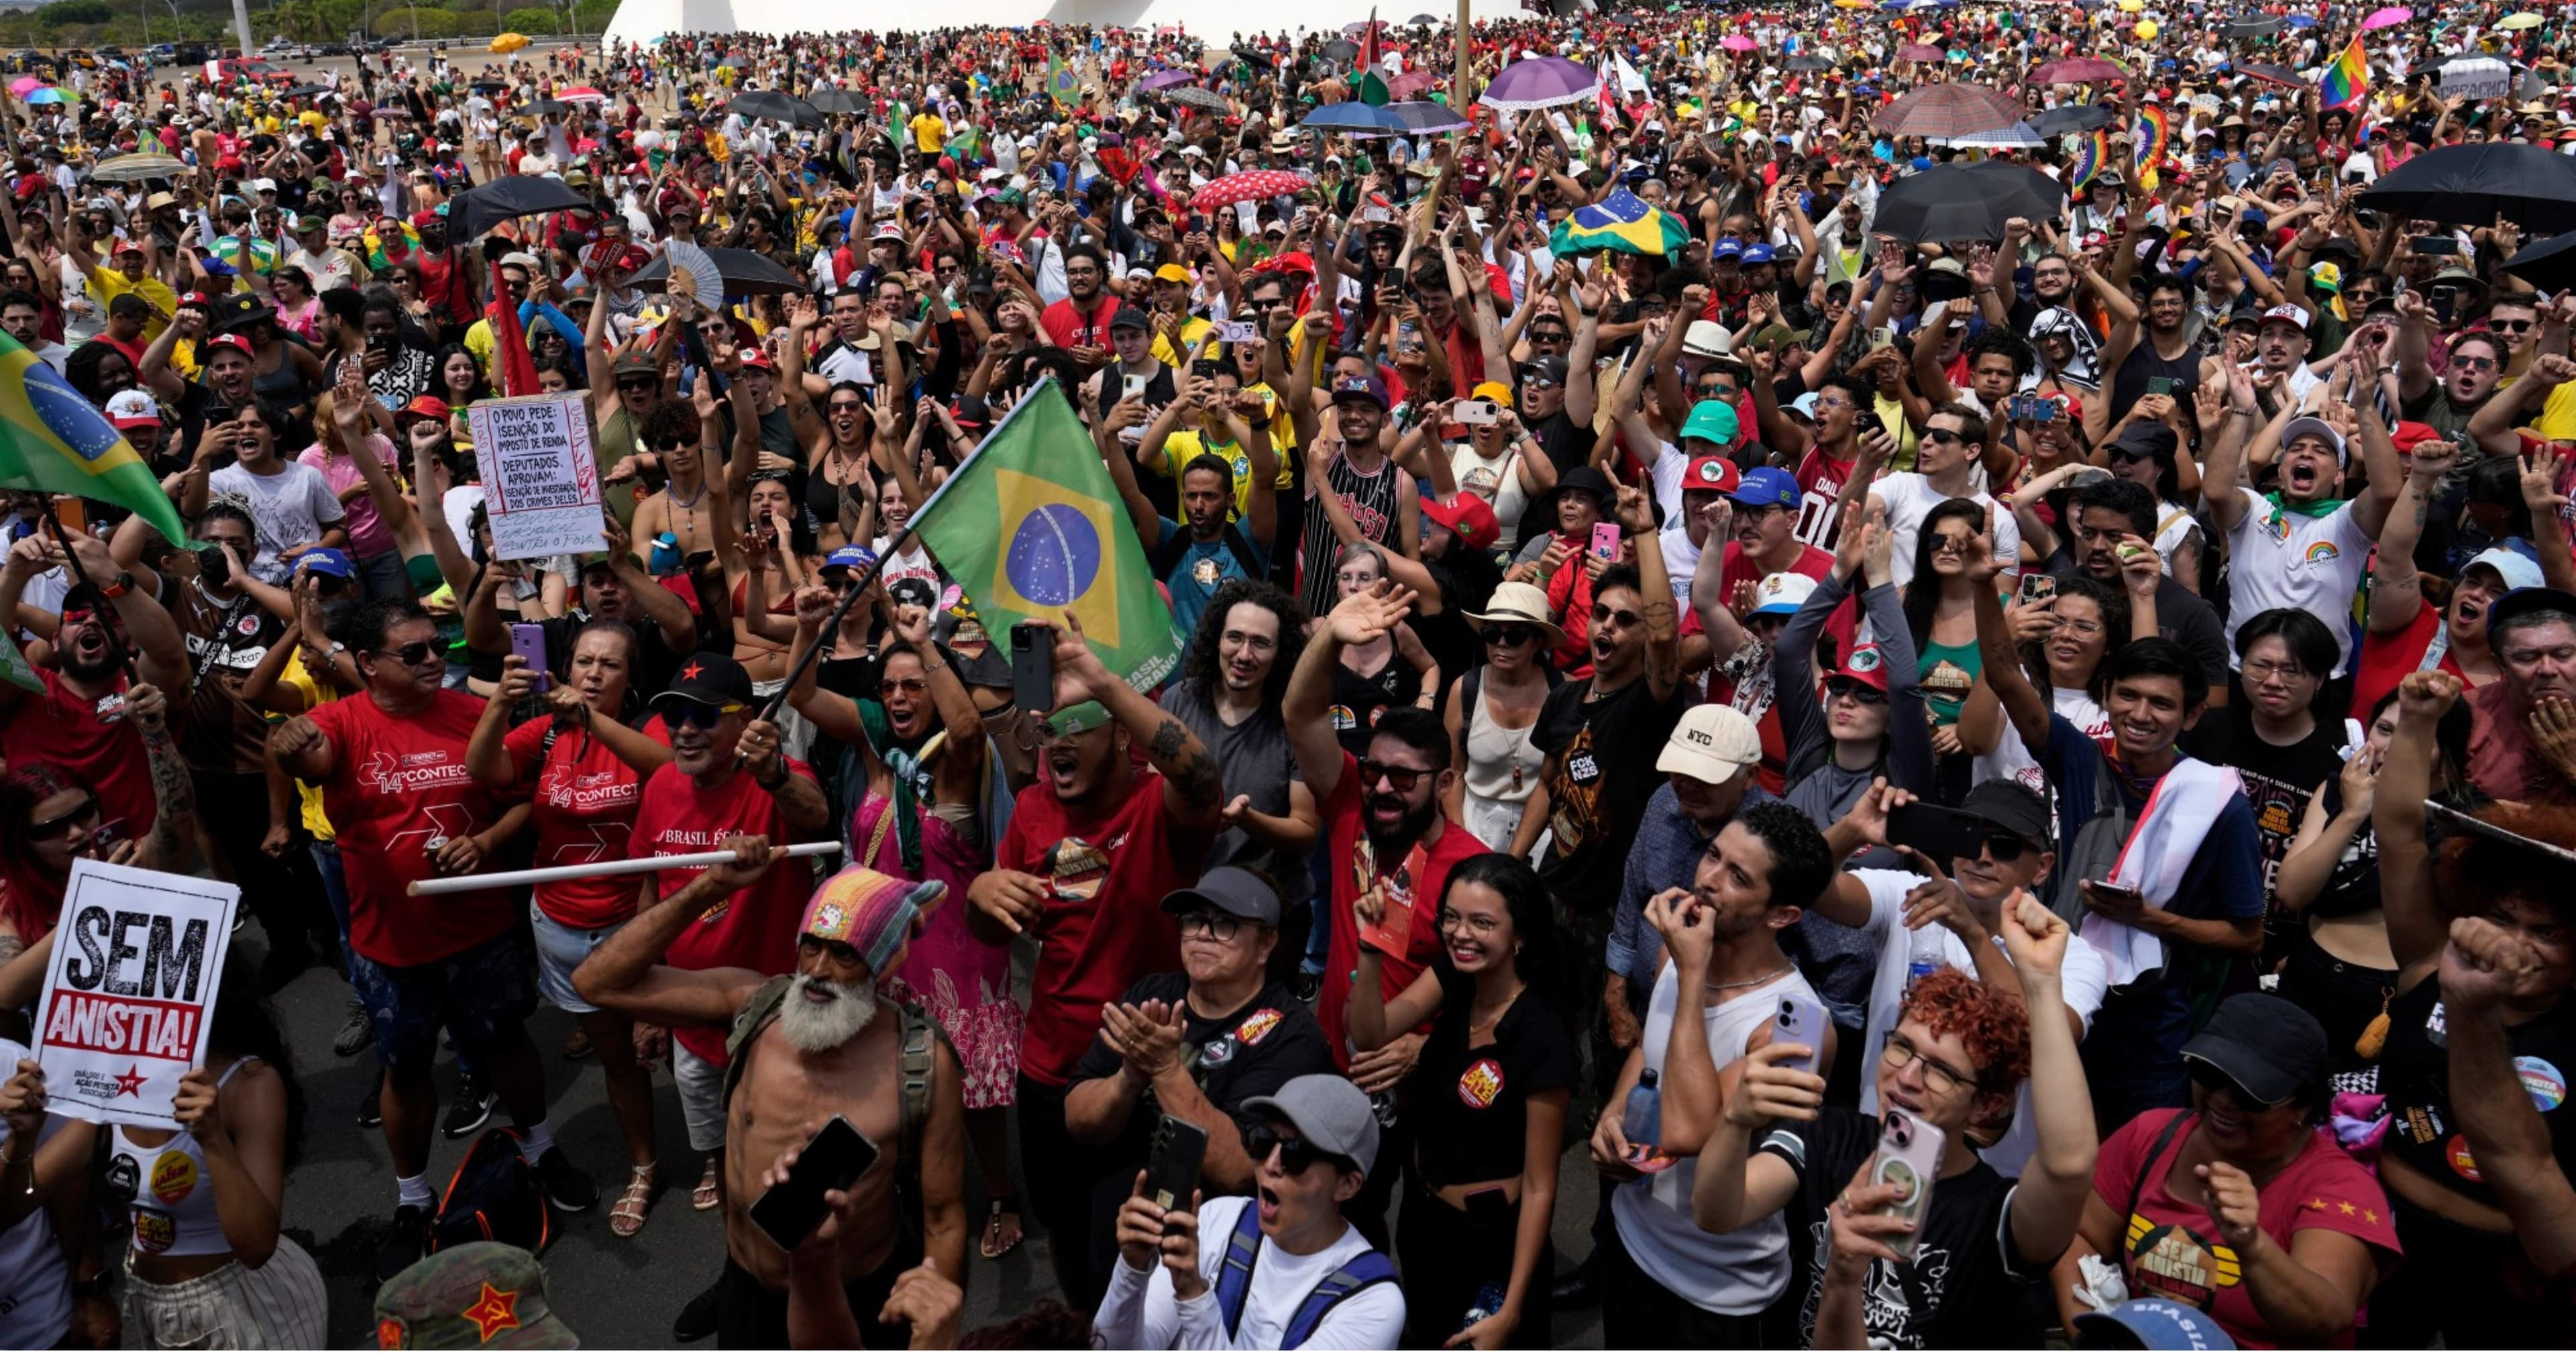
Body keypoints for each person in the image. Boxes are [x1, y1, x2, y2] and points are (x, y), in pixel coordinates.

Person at [270, 600, 592, 1279]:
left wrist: (485, 843)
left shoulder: (475, 715)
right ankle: (413, 1199)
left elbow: (521, 801)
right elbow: (309, 756)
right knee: (407, 1071)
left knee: (508, 1041)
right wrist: (291, 746)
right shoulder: (342, 722)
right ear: (368, 664)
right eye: (411, 652)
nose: (430, 660)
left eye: (433, 647)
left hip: (482, 932)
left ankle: (541, 1149)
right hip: (394, 945)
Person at [576, 858, 968, 1350]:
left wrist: (935, 1324)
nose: (819, 971)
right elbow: (597, 982)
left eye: (844, 954)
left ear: (881, 962)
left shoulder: (922, 1062)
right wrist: (705, 889)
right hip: (749, 1295)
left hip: (859, 1303)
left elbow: (944, 1214)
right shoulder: (755, 1005)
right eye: (812, 946)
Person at [964, 612, 1224, 1310]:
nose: (1057, 746)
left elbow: (1202, 777)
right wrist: (980, 893)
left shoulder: (1157, 806)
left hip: (1141, 1074)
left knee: (1143, 1245)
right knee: (1067, 1231)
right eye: (1050, 732)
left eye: (1080, 726)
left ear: (1120, 737)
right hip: (1048, 1069)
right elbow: (995, 933)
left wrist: (1105, 684)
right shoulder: (1030, 811)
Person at [1697, 898, 2099, 1347]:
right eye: (1902, 1047)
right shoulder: (1828, 1136)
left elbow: (2069, 1164)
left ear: (1986, 1104)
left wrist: (2042, 984)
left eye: (1942, 1071)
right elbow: (1719, 1212)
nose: (1906, 1077)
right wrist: (1735, 1123)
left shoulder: (1995, 1215)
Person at [1969, 533, 2264, 1125]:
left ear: (2192, 715)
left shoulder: (2217, 802)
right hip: (2060, 997)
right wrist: (1983, 584)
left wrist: (2150, 920)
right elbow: (2004, 675)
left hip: (2154, 1031)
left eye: (2161, 703)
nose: (2141, 714)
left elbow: (2248, 936)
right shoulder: (2083, 760)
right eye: (2127, 696)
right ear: (2106, 697)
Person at [786, 590, 1026, 1264]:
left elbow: (972, 730)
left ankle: (1001, 1192)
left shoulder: (955, 755)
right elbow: (803, 696)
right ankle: (898, 1194)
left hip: (957, 947)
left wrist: (923, 643)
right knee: (879, 1077)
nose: (898, 696)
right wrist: (810, 627)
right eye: (889, 685)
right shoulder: (869, 745)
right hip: (882, 950)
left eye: (913, 684)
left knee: (970, 1088)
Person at [2361, 668, 2576, 1346]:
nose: (2513, 944)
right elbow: (2398, 834)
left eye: (2545, 933)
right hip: (2382, 1237)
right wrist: (2419, 719)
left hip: (2509, 1279)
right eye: (2504, 917)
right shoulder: (2432, 957)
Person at [621, 649, 830, 1338]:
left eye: (703, 717)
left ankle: (806, 1285)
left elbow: (815, 812)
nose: (683, 729)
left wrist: (770, 772)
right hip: (688, 1015)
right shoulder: (659, 788)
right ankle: (739, 1270)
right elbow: (650, 889)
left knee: (792, 1170)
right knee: (727, 1161)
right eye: (674, 714)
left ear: (744, 721)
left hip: (774, 1022)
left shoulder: (777, 777)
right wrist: (649, 1003)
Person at [1280, 583, 1489, 1246]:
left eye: (1406, 777)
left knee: (1428, 1236)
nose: (1385, 788)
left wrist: (1426, 1046)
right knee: (1345, 1225)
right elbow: (1298, 713)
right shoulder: (1348, 803)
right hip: (1338, 1069)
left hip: (1424, 1086)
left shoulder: (1475, 871)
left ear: (1445, 784)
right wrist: (1330, 636)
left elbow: (1502, 1002)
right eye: (1376, 772)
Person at [1589, 801, 1835, 1346]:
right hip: (1633, 1237)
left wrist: (1694, 972)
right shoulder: (1680, 953)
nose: (1707, 881)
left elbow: (1687, 1131)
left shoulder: (1799, 1025)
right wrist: (1612, 1115)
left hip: (1717, 1290)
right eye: (1713, 855)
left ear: (1782, 915)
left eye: (1738, 876)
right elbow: (1649, 1053)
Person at [464, 623, 674, 1238]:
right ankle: (646, 1165)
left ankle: (715, 1154)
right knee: (619, 1057)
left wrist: (591, 719)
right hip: (559, 925)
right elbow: (487, 770)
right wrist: (503, 700)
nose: (594, 673)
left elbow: (667, 774)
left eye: (610, 664)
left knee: (685, 1054)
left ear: (631, 678)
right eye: (584, 661)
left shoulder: (649, 729)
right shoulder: (549, 730)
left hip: (634, 927)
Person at [2050, 993, 2400, 1349]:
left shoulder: (2340, 1188)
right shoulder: (2150, 1136)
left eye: (2250, 1094)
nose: (2222, 1100)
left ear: (2304, 1107)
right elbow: (2079, 1236)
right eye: (2209, 1073)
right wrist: (2093, 1330)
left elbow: (2326, 1318)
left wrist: (2251, 1246)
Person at [1063, 868, 1337, 1299]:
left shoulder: (1292, 1037)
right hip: (1119, 1245)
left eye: (1225, 923)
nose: (1203, 935)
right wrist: (1129, 1079)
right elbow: (1078, 1119)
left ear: (1266, 943)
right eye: (1193, 920)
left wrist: (1166, 1070)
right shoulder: (1150, 996)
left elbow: (1237, 1169)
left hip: (1210, 1268)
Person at [1350, 853, 1574, 1350]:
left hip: (1490, 1243)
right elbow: (1370, 1032)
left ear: (1520, 933)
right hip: (1424, 1220)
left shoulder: (1542, 1036)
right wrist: (1371, 949)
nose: (1460, 933)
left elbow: (1540, 1186)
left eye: (1482, 922)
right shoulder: (1455, 978)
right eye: (1451, 916)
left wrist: (1513, 1308)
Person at [1092, 1074, 1407, 1350]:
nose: (1270, 1165)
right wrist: (1132, 1270)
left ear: (1347, 1185)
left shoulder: (1373, 1304)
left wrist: (1193, 1293)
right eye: (1263, 1141)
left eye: (1296, 1156)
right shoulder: (1219, 1218)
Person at [1155, 579, 1321, 980]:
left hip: (1267, 911)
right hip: (1190, 904)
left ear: (1281, 653)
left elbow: (1305, 830)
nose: (1244, 654)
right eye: (1235, 638)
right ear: (1216, 639)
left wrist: (1249, 821)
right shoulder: (1177, 701)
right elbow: (1152, 796)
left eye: (1260, 643)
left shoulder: (1294, 720)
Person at [0, 529, 194, 851]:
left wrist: (111, 574)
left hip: (138, 867)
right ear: (54, 639)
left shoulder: (141, 691)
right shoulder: (24, 690)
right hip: (47, 883)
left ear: (130, 640)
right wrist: (14, 573)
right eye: (76, 616)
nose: (91, 621)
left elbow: (170, 656)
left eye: (109, 617)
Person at [1444, 582, 1560, 853]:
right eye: (1492, 633)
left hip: (1543, 835)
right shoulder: (1465, 690)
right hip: (1476, 828)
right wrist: (1460, 839)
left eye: (1516, 636)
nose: (1502, 644)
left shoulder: (1561, 692)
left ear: (1538, 642)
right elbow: (1454, 772)